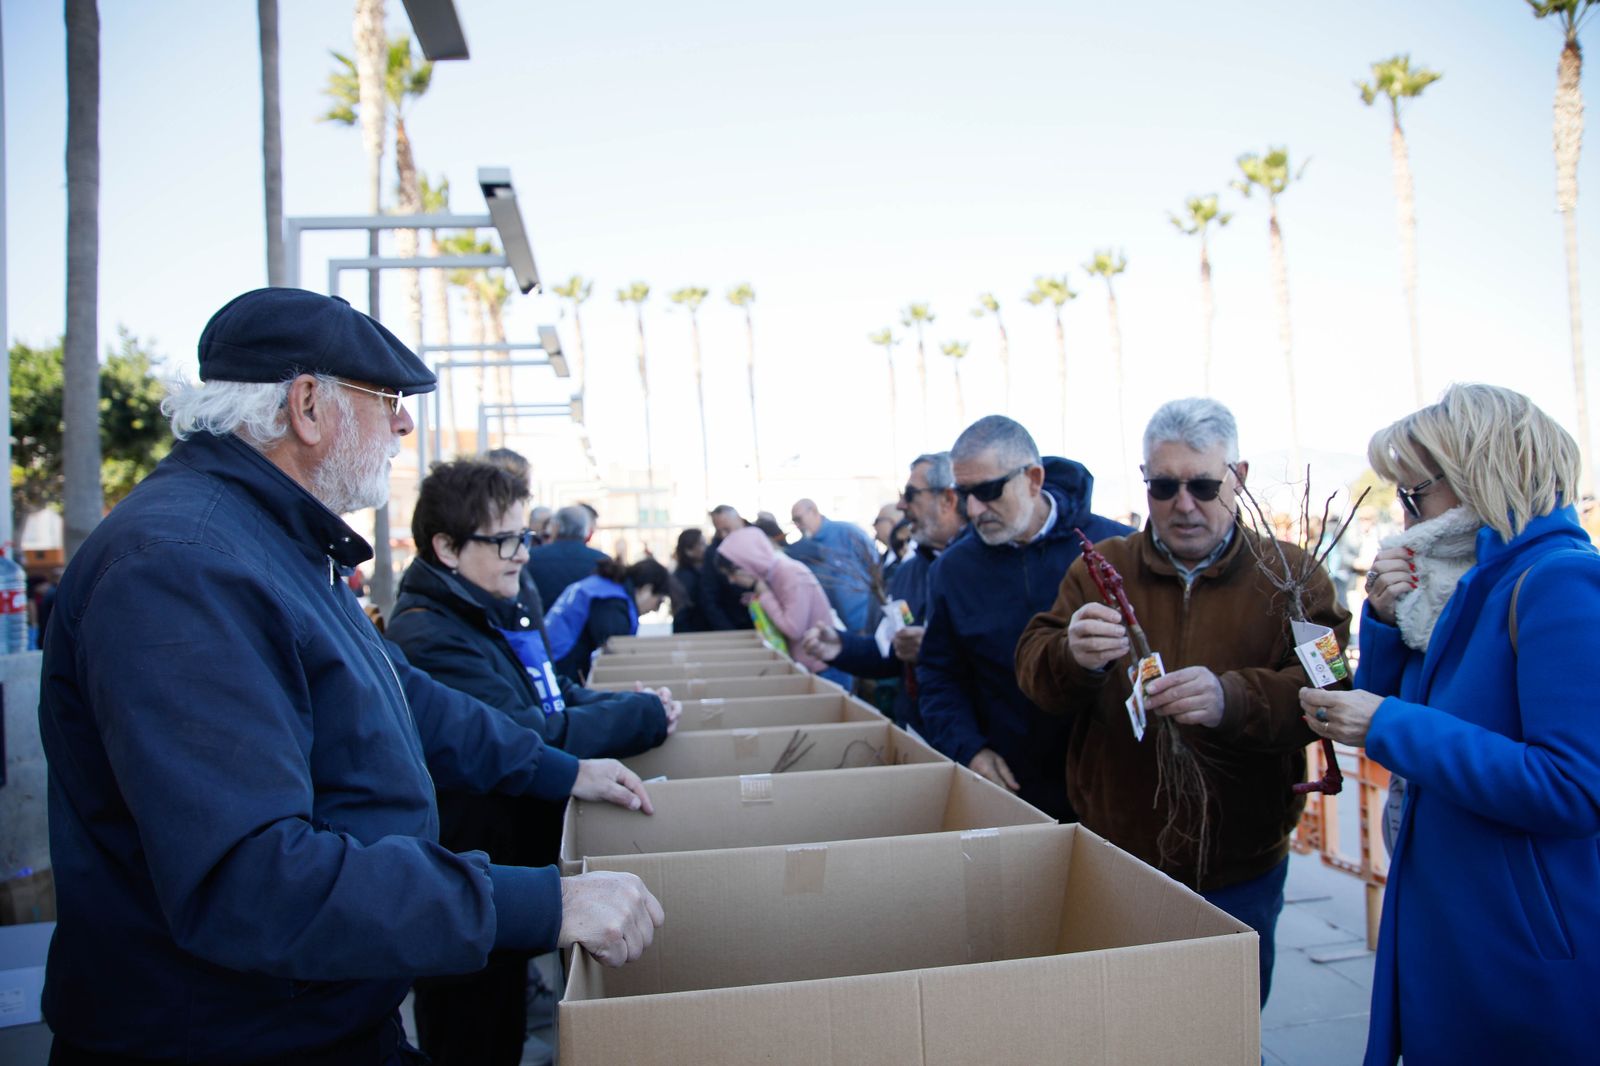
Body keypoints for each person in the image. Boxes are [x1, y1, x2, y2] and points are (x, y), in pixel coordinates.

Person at [36, 288, 662, 1066]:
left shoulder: (275, 547)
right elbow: (251, 878)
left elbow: (410, 704)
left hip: (313, 1016)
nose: (403, 424)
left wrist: (566, 770)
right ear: (307, 406)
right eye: (389, 400)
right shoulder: (183, 568)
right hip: (231, 1038)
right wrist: (541, 902)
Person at [1295, 385, 1600, 1063]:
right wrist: (1384, 619)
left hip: (1517, 952)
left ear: (1476, 477)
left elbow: (1575, 787)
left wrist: (1389, 722)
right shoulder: (1467, 586)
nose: (1406, 516)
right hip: (1455, 921)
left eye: (1415, 493)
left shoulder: (1559, 581)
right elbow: (1389, 717)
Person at [1014, 397, 1348, 1007]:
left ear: (1238, 478)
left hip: (1240, 864)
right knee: (1122, 1018)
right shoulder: (1098, 570)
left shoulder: (1296, 577)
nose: (1183, 504)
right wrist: (1072, 655)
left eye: (1202, 484)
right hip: (1121, 858)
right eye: (1164, 485)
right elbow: (1036, 671)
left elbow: (1332, 689)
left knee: (1226, 1018)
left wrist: (1234, 698)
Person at [387, 459, 675, 1066]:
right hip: (472, 860)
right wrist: (640, 716)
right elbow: (528, 730)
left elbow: (551, 695)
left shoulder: (490, 611)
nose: (522, 554)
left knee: (502, 1022)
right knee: (474, 1031)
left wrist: (634, 703)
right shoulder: (430, 635)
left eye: (526, 537)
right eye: (506, 540)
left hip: (506, 854)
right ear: (446, 547)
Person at [918, 416, 1131, 820]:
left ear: (1033, 479)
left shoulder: (1115, 549)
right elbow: (939, 674)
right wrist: (969, 749)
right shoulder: (952, 570)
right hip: (1014, 792)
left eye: (988, 491)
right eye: (964, 494)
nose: (975, 509)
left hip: (1116, 792)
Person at [801, 452, 967, 731]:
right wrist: (841, 646)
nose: (902, 505)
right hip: (919, 729)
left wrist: (934, 647)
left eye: (911, 494)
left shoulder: (987, 570)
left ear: (948, 500)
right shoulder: (907, 574)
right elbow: (890, 651)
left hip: (978, 748)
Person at [716, 525, 839, 677]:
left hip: (824, 668)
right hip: (809, 664)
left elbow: (794, 629)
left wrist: (765, 595)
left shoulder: (790, 574)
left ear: (749, 562)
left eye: (732, 573)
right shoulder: (773, 575)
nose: (731, 580)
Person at [545, 556, 671, 683]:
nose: (655, 609)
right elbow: (616, 654)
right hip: (561, 666)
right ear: (647, 589)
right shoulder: (612, 602)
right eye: (659, 602)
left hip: (552, 658)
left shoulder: (605, 587)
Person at [790, 497, 880, 633]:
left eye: (799, 519)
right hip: (835, 625)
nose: (798, 525)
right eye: (794, 522)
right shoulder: (802, 548)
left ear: (813, 512)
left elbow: (875, 564)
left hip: (864, 618)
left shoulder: (846, 532)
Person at [523, 505, 608, 608]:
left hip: (542, 621)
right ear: (586, 530)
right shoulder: (602, 561)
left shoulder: (531, 557)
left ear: (556, 527)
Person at [700, 504, 756, 631]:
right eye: (719, 531)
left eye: (727, 529)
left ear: (740, 522)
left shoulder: (758, 541)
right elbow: (709, 596)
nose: (724, 535)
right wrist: (727, 629)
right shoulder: (713, 553)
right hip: (733, 622)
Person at [670, 528, 710, 633]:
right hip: (692, 633)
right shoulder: (685, 577)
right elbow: (682, 612)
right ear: (689, 551)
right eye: (701, 544)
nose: (706, 548)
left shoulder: (700, 571)